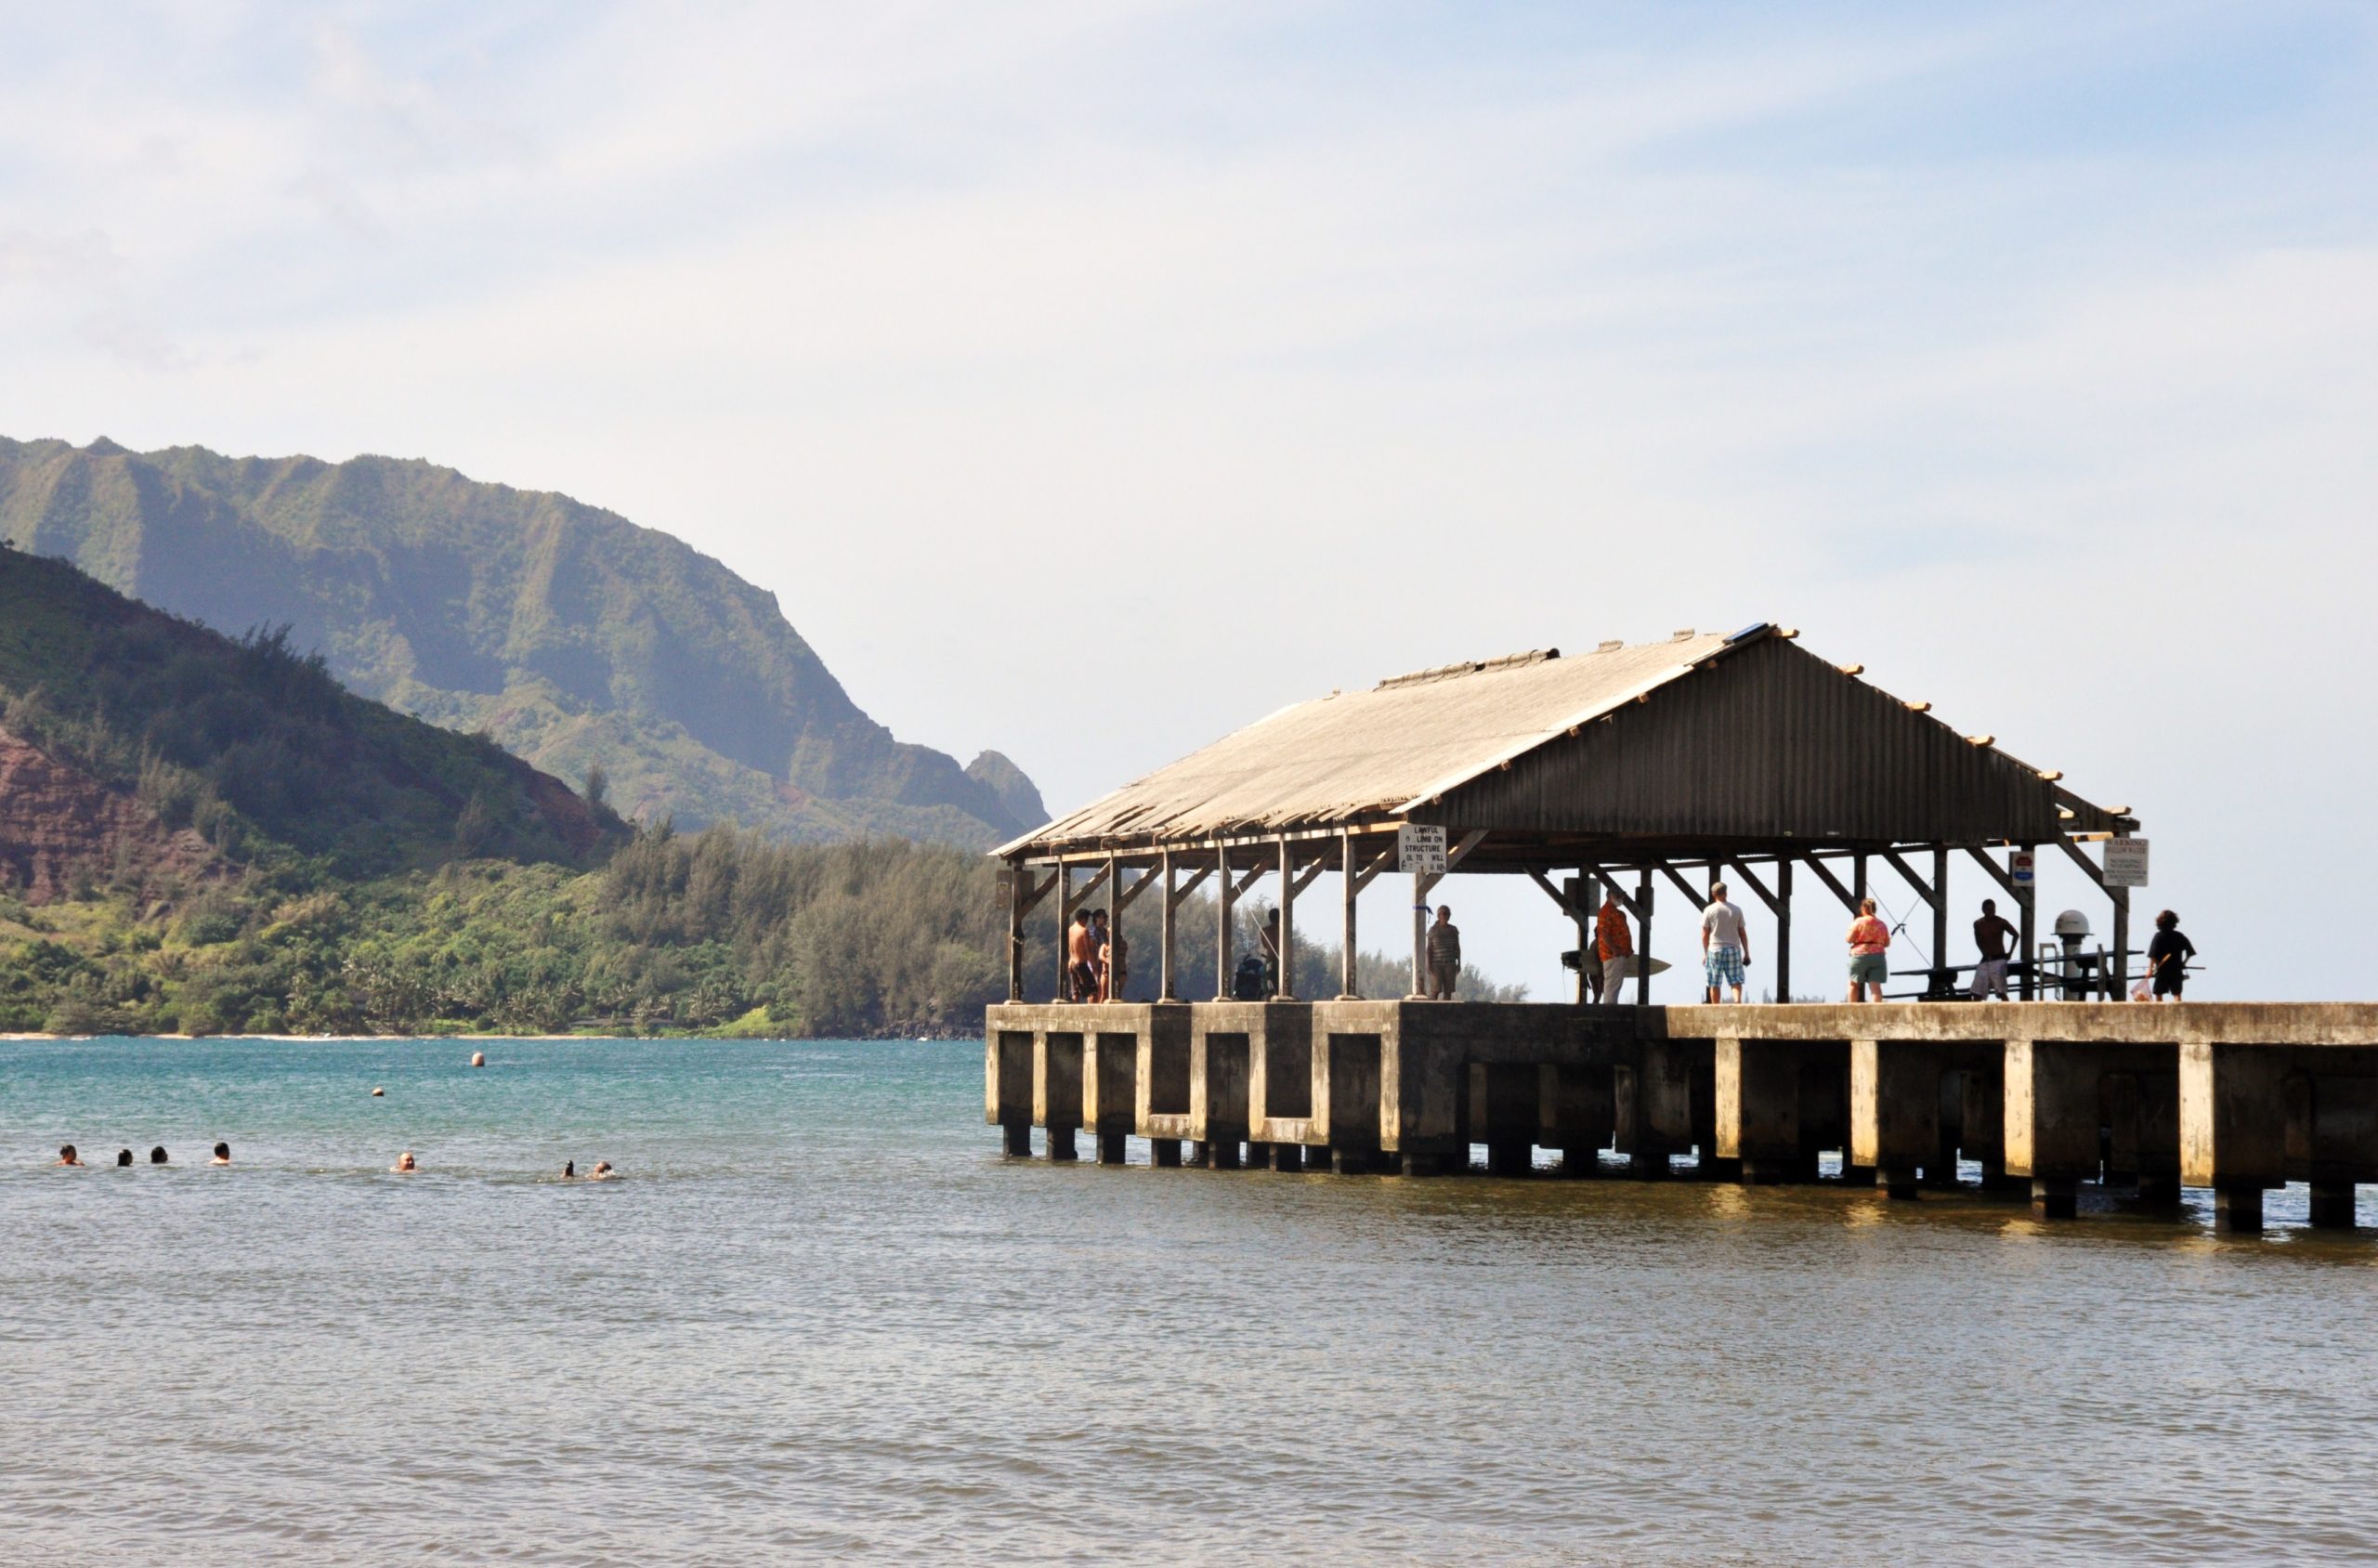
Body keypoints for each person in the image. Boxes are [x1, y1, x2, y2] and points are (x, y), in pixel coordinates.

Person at [1700, 882, 1750, 1003]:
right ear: (1726, 893)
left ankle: (1716, 1007)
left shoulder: (1709, 910)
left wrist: (1705, 953)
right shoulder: (1736, 910)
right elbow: (1742, 933)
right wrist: (1747, 953)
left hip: (1715, 949)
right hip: (1733, 949)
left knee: (1714, 982)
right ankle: (1737, 1001)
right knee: (1736, 980)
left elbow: (1704, 934)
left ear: (1713, 894)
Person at [1970, 899, 2019, 1000]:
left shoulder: (2001, 922)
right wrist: (1984, 951)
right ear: (1983, 910)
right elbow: (1978, 940)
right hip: (1985, 959)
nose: (1991, 912)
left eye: (1993, 909)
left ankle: (2008, 1011)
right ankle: (1976, 1014)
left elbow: (2015, 934)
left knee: (2000, 990)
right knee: (1977, 990)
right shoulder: (1978, 924)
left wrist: (2010, 952)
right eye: (1989, 910)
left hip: (1999, 959)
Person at [1846, 898, 1891, 1002]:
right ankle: (1876, 1014)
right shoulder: (1882, 924)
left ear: (1863, 909)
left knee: (1854, 984)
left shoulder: (1858, 922)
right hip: (1878, 956)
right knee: (1876, 988)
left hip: (1860, 955)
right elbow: (1887, 943)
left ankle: (1851, 1011)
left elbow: (1849, 939)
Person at [2147, 910, 2196, 1001]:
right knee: (2177, 993)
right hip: (2176, 969)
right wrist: (2183, 963)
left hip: (2162, 969)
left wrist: (2150, 970)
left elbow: (2152, 955)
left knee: (2158, 992)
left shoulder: (2158, 936)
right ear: (2174, 922)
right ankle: (2177, 1011)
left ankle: (2159, 1011)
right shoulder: (2179, 936)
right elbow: (2190, 952)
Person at [1596, 886, 1635, 1001]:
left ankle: (1611, 1008)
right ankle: (1609, 1010)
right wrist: (1615, 950)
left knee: (1615, 985)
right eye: (1617, 895)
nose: (1620, 898)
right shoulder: (1605, 912)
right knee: (1612, 986)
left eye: (1621, 896)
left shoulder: (1618, 913)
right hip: (1613, 955)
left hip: (1619, 954)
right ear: (1609, 896)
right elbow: (1603, 933)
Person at [1425, 906, 1461, 1000]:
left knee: (1448, 991)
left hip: (1450, 963)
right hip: (1436, 964)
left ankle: (1446, 1011)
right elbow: (1429, 949)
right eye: (1444, 914)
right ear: (1439, 915)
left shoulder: (1453, 930)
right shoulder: (1433, 930)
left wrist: (1459, 963)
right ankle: (1432, 1010)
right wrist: (1428, 964)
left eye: (1448, 914)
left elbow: (1457, 947)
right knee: (1435, 990)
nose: (1446, 916)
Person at [1065, 910, 1098, 1002]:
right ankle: (1092, 1012)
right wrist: (1093, 966)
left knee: (1075, 992)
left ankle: (1074, 1013)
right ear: (1084, 919)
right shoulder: (1083, 931)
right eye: (1087, 919)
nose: (1087, 922)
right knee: (1093, 990)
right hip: (1081, 964)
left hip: (1071, 964)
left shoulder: (1070, 930)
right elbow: (1088, 950)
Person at [1103, 921, 1129, 1003]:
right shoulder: (1105, 946)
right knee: (1105, 993)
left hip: (1121, 969)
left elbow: (1121, 950)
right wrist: (1107, 961)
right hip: (1108, 971)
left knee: (1117, 991)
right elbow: (1101, 956)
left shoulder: (1122, 943)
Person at [1088, 910, 1111, 1001]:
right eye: (1103, 917)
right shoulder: (1092, 932)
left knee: (1102, 988)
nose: (1106, 919)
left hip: (1103, 963)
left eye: (1106, 917)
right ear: (1097, 918)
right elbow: (1091, 949)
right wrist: (1093, 965)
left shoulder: (1105, 932)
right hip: (1094, 962)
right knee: (1094, 987)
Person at [1259, 910, 1282, 999]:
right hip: (1280, 962)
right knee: (1282, 987)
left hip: (1270, 961)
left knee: (1269, 988)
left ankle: (1267, 1004)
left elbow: (1265, 945)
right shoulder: (1283, 930)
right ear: (1280, 917)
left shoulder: (1264, 931)